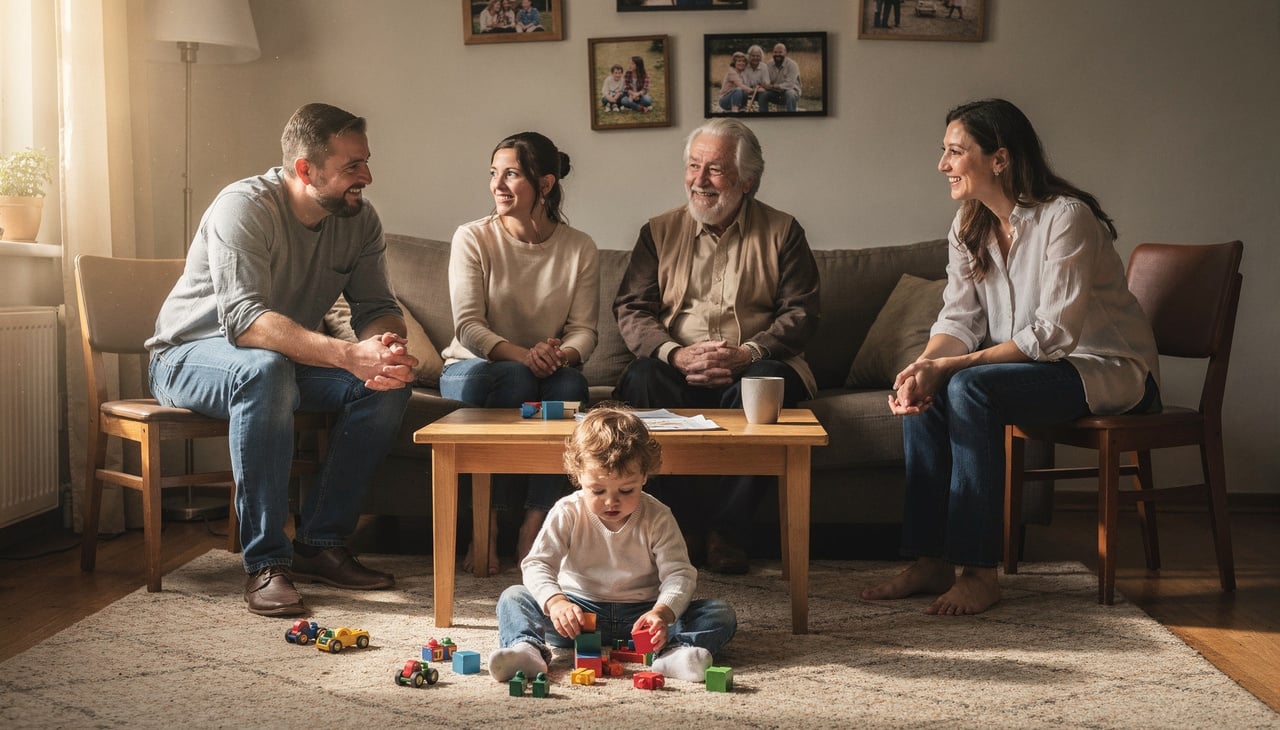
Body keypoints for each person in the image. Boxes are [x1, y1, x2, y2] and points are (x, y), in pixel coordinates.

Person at [861, 98, 1161, 616]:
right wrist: (924, 366)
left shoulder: (1067, 218)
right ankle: (932, 560)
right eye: (944, 151)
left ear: (999, 159)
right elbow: (958, 321)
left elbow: (1054, 334)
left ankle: (979, 572)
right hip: (1038, 369)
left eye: (956, 152)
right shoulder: (967, 225)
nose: (943, 165)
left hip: (1105, 370)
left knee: (968, 386)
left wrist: (950, 368)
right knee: (929, 387)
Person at [146, 103, 418, 617]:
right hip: (185, 356)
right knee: (264, 370)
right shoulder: (243, 207)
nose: (368, 177)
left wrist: (385, 348)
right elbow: (247, 322)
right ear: (305, 170)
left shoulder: (358, 219)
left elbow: (378, 307)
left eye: (366, 162)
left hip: (277, 360)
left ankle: (318, 542)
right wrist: (346, 354)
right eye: (352, 167)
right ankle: (266, 563)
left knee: (385, 384)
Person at [612, 118, 821, 574]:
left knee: (769, 383)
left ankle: (728, 532)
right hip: (673, 365)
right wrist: (675, 353)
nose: (700, 181)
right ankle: (680, 527)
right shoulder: (658, 231)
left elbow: (801, 312)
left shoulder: (784, 231)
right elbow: (632, 309)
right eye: (693, 166)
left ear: (747, 180)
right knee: (642, 378)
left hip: (753, 363)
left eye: (715, 170)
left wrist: (749, 353)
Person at [440, 131, 600, 576]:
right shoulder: (473, 237)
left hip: (546, 370)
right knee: (514, 380)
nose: (498, 184)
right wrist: (525, 356)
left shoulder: (579, 247)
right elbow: (468, 327)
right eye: (494, 173)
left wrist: (561, 355)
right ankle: (485, 527)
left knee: (572, 386)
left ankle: (535, 525)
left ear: (545, 185)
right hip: (472, 368)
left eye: (511, 174)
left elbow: (585, 330)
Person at [488, 407, 737, 683]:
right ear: (578, 475)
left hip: (642, 614)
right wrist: (556, 602)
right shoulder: (567, 511)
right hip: (576, 615)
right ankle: (527, 650)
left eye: (626, 490)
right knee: (514, 596)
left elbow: (679, 573)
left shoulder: (658, 516)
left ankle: (678, 653)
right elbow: (538, 564)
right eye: (597, 490)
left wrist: (661, 613)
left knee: (719, 612)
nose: (611, 502)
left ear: (645, 476)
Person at [763, 43, 801, 113]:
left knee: (790, 94)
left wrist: (773, 86)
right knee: (763, 94)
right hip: (775, 92)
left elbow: (790, 85)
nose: (777, 54)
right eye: (775, 52)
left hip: (791, 92)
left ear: (785, 52)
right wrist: (765, 84)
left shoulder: (792, 65)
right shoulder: (769, 64)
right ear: (772, 53)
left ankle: (792, 118)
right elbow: (766, 79)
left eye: (780, 52)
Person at [739, 45, 770, 111]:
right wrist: (753, 89)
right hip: (746, 90)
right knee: (741, 92)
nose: (755, 58)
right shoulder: (744, 66)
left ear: (761, 57)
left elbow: (766, 83)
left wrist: (762, 86)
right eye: (753, 56)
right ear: (749, 56)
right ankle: (742, 110)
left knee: (764, 93)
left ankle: (763, 113)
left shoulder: (764, 66)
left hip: (759, 92)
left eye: (757, 56)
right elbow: (743, 84)